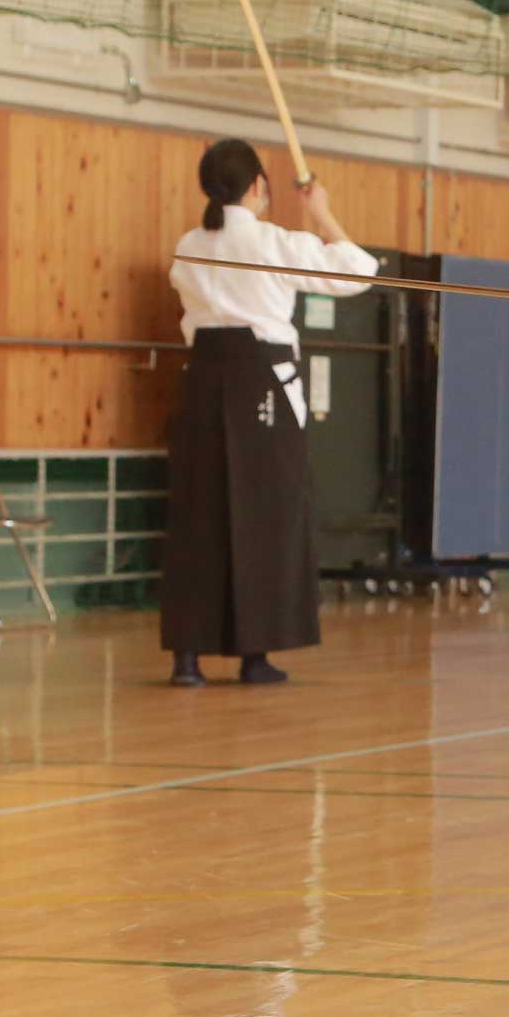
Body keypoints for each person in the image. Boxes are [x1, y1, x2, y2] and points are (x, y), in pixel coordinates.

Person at [162, 140, 377, 687]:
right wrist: (321, 213)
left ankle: (188, 657)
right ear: (257, 186)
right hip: (264, 383)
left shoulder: (189, 245)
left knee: (200, 519)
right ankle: (253, 654)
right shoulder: (275, 241)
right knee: (268, 518)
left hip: (205, 387)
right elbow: (358, 271)